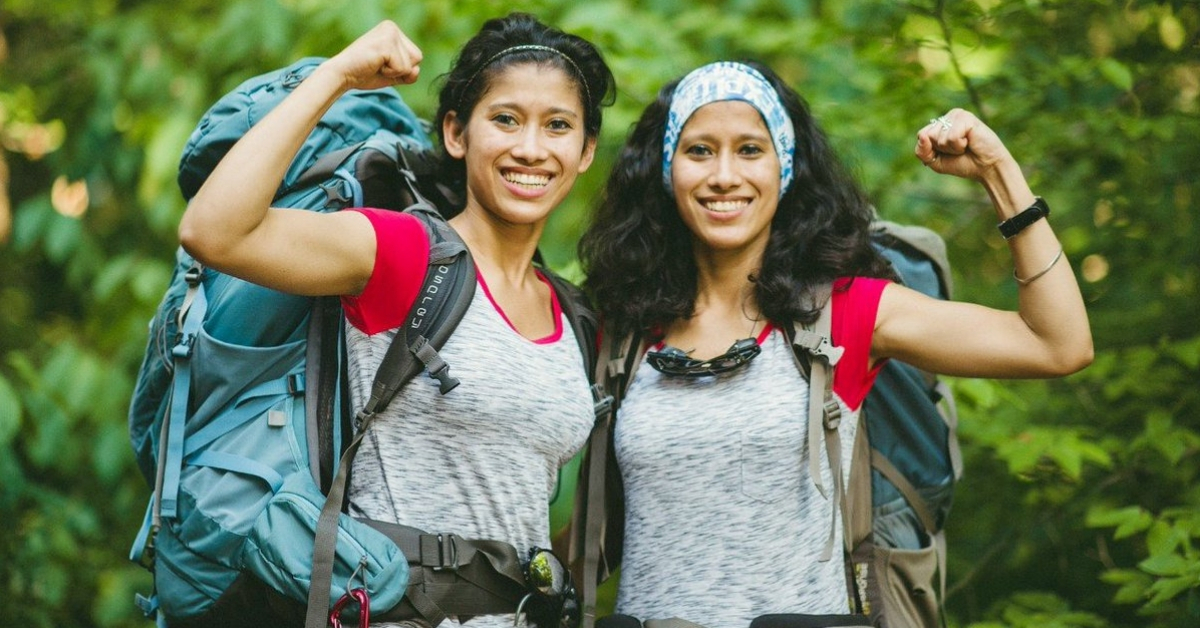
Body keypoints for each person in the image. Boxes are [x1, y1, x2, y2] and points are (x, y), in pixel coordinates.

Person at [576, 61, 1092, 626]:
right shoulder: (623, 328)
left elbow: (1056, 345)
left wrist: (999, 172)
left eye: (750, 150)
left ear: (786, 168)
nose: (724, 175)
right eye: (699, 150)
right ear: (666, 169)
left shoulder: (843, 313)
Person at [179, 13, 615, 628]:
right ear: (457, 134)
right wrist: (336, 75)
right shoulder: (406, 254)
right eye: (506, 119)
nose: (531, 148)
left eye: (559, 126)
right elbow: (213, 231)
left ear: (586, 151)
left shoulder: (573, 313)